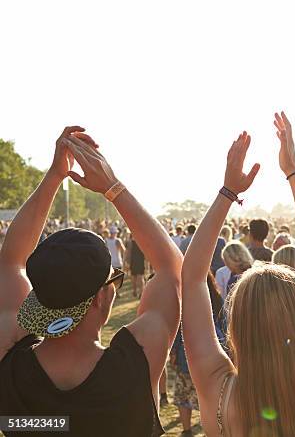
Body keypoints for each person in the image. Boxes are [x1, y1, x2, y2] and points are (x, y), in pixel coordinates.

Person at [0, 127, 182, 436]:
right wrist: (111, 187)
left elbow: (10, 262)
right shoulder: (136, 361)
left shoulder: (10, 359)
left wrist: (55, 176)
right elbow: (170, 268)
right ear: (101, 297)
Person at [181, 114, 295, 436]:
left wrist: (228, 191)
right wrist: (293, 172)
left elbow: (192, 278)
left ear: (238, 323)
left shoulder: (219, 390)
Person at [171, 272, 224, 437]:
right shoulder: (216, 299)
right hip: (212, 356)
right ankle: (212, 429)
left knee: (184, 393)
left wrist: (173, 353)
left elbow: (176, 329)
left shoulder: (184, 301)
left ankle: (187, 430)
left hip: (187, 355)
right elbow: (225, 323)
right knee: (210, 397)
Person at [126, 232, 146, 298]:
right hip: (140, 261)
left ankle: (135, 291)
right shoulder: (142, 242)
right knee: (140, 277)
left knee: (134, 277)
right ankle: (141, 292)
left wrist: (128, 263)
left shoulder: (130, 243)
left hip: (134, 261)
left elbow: (128, 253)